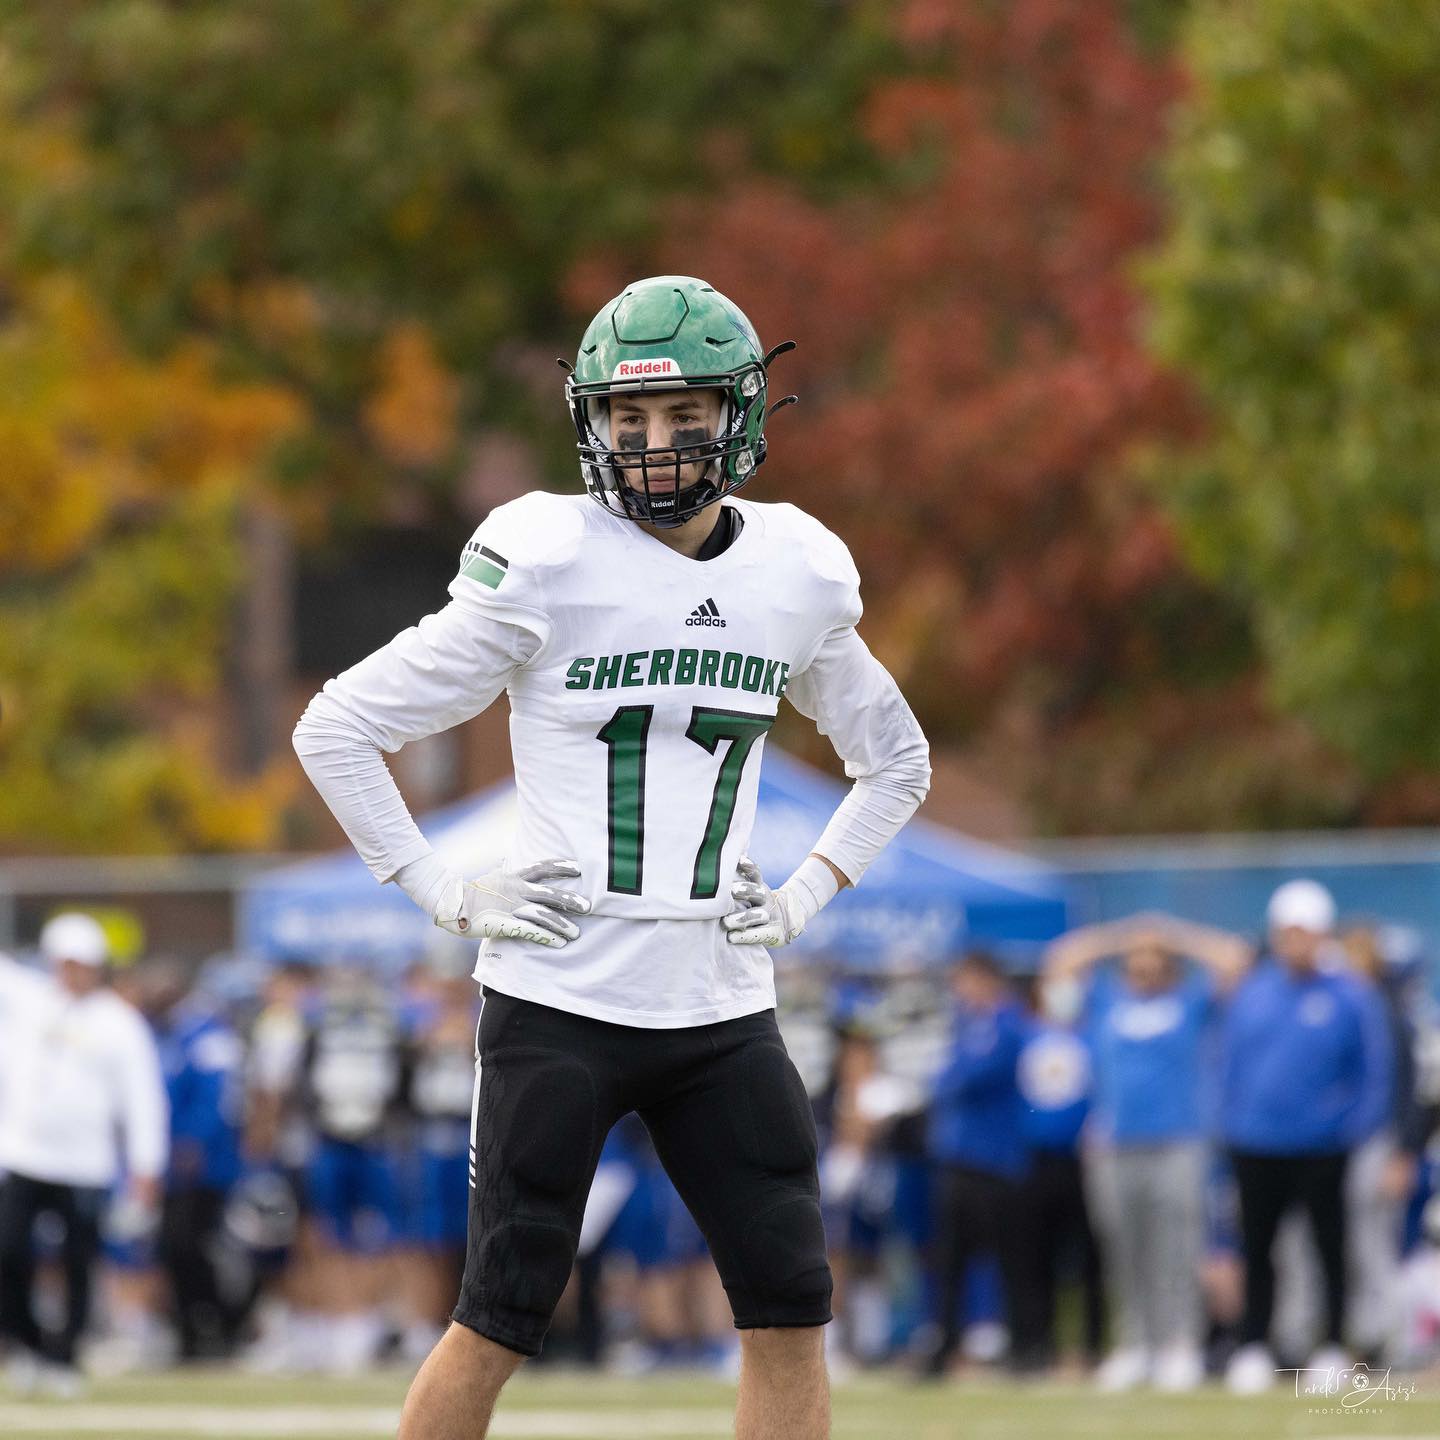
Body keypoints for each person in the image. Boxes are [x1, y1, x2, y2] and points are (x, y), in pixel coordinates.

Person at [293, 275, 930, 1440]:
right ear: (591, 423)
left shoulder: (794, 570)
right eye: (628, 420)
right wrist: (440, 889)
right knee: (500, 1314)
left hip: (723, 1006)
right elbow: (336, 726)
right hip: (559, 1000)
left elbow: (897, 762)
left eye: (684, 415)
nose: (654, 445)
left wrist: (803, 897)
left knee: (791, 1309)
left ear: (738, 416)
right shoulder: (545, 556)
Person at [1045, 912, 1249, 1391]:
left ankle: (1179, 1344)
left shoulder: (1189, 1000)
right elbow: (1060, 961)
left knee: (1176, 1248)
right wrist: (1122, 935)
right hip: (1115, 1144)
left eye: (1153, 957)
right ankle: (1135, 1344)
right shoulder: (1104, 1000)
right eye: (1138, 957)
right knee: (1124, 1246)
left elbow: (1235, 959)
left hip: (1178, 1142)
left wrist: (1172, 934)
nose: (1145, 964)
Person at [1221, 880, 1392, 1394]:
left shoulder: (1350, 995)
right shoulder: (1252, 993)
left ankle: (1333, 1346)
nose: (1295, 943)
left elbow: (1374, 1071)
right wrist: (1230, 1126)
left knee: (1329, 1250)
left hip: (1322, 1148)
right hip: (1256, 1144)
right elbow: (1228, 1066)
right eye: (1286, 933)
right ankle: (1254, 1345)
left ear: (1320, 935)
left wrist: (1351, 1129)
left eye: (1304, 933)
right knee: (1258, 1249)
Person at [0, 915, 169, 1397]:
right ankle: (28, 1344)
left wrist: (145, 1166)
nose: (74, 973)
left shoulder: (119, 1022)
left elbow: (143, 1100)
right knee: (8, 1253)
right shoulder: (29, 1001)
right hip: (23, 1155)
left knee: (78, 1264)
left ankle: (63, 1358)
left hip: (85, 1164)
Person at [919, 951, 1030, 1378]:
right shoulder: (964, 1023)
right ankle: (944, 1347)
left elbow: (970, 1076)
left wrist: (947, 1078)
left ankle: (1022, 1346)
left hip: (996, 1161)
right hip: (957, 1158)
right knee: (949, 1260)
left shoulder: (1007, 1023)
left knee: (1009, 1259)